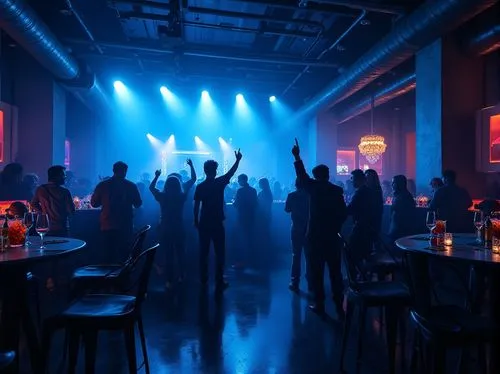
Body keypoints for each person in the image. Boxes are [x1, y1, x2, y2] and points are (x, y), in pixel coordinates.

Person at [292, 139, 347, 316]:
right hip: (332, 236)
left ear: (315, 176)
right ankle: (339, 304)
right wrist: (336, 228)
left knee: (316, 272)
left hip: (314, 236)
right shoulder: (337, 191)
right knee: (335, 272)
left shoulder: (313, 188)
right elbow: (343, 213)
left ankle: (319, 304)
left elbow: (301, 175)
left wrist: (297, 156)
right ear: (328, 175)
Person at [194, 149, 242, 291]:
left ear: (204, 170)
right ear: (215, 171)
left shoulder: (200, 186)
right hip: (217, 222)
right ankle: (219, 280)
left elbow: (196, 205)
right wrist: (238, 160)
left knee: (204, 252)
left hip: (204, 222)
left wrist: (195, 220)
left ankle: (203, 279)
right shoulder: (219, 183)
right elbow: (231, 173)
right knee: (219, 252)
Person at [150, 159, 196, 289]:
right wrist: (191, 166)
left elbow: (151, 188)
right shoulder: (181, 196)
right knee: (181, 252)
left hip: (165, 226)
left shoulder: (162, 196)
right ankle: (182, 275)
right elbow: (193, 179)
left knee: (168, 254)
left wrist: (157, 176)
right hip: (179, 226)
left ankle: (169, 280)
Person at [91, 161, 142, 263]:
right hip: (125, 224)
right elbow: (138, 204)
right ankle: (124, 276)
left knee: (108, 253)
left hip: (107, 223)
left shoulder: (103, 185)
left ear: (113, 170)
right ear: (125, 171)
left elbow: (94, 203)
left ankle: (108, 276)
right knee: (124, 254)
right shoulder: (131, 186)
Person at [347, 169, 379, 272]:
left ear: (357, 179)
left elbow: (350, 210)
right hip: (368, 228)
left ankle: (355, 280)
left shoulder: (359, 193)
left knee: (351, 254)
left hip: (360, 228)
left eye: (352, 179)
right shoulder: (369, 191)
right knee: (365, 253)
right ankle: (365, 277)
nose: (350, 181)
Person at [31, 166, 75, 237]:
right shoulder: (64, 191)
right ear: (56, 176)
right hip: (61, 227)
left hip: (46, 226)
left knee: (48, 246)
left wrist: (43, 213)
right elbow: (71, 211)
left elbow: (33, 204)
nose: (65, 177)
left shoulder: (40, 189)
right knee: (63, 246)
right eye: (63, 175)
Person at [285, 178, 310, 292]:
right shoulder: (310, 195)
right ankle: (310, 279)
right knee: (309, 255)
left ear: (295, 185)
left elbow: (287, 209)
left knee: (296, 255)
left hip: (296, 227)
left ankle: (295, 281)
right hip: (309, 228)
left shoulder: (291, 195)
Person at [233, 174, 258, 267]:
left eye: (239, 180)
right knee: (250, 238)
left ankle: (241, 261)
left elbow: (236, 204)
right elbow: (256, 203)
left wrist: (234, 202)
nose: (238, 182)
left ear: (243, 180)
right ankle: (252, 260)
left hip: (242, 217)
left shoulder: (240, 191)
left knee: (240, 239)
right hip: (251, 217)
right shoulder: (253, 190)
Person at [389, 175, 416, 241]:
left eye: (394, 183)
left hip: (400, 230)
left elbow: (401, 216)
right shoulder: (400, 195)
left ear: (399, 184)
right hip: (398, 228)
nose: (392, 185)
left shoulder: (404, 197)